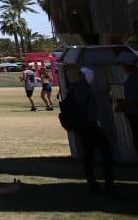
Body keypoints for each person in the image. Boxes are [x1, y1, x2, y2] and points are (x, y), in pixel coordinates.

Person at [58, 66, 116, 195]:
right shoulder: (83, 85)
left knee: (88, 154)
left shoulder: (72, 88)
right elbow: (89, 72)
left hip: (82, 125)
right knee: (106, 152)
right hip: (90, 123)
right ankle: (109, 183)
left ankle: (92, 183)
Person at [116, 59, 138, 159]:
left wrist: (123, 105)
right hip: (135, 113)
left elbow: (134, 101)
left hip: (136, 115)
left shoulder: (131, 81)